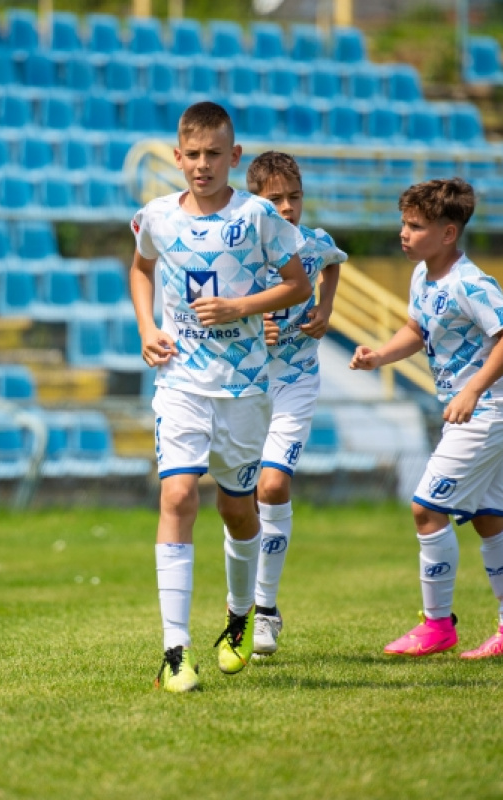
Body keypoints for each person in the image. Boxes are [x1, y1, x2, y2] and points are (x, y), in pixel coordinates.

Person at [129, 101, 311, 692]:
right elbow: (140, 268)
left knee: (238, 510)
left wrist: (240, 307)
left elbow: (297, 283)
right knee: (178, 496)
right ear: (176, 157)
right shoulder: (156, 216)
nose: (202, 165)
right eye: (192, 155)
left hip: (244, 390)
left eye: (215, 154)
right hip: (181, 383)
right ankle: (174, 652)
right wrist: (146, 328)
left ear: (234, 157)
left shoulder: (259, 215)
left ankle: (239, 616)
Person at [350, 177, 503, 659]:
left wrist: (474, 390)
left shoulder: (470, 283)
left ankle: (437, 625)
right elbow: (417, 328)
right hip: (476, 409)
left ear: (448, 233)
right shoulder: (423, 276)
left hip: (487, 409)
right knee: (488, 519)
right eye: (403, 223)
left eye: (416, 226)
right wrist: (379, 356)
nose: (404, 233)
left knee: (425, 508)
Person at [245, 151, 346, 656]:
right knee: (238, 503)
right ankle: (240, 604)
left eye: (294, 197)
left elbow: (332, 265)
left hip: (297, 380)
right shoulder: (238, 251)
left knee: (274, 483)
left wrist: (325, 308)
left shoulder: (315, 243)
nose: (286, 207)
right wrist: (248, 323)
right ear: (253, 201)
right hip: (243, 385)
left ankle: (265, 609)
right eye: (274, 199)